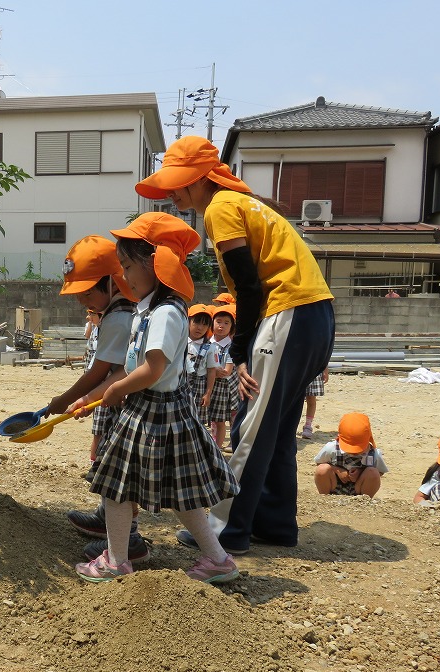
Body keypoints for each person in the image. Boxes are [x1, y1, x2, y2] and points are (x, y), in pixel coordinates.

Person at [136, 136, 334, 554]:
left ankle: (225, 529)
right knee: (277, 430)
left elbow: (246, 285)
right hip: (314, 317)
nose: (171, 192)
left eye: (176, 183)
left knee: (251, 427)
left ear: (198, 178)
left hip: (289, 313)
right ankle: (275, 523)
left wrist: (240, 353)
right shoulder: (243, 204)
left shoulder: (222, 207)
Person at [67, 212, 240, 584]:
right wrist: (92, 398)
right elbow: (131, 368)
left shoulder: (165, 312)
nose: (124, 275)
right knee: (145, 489)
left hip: (157, 412)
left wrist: (113, 391)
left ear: (154, 263)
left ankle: (118, 560)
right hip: (151, 409)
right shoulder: (149, 309)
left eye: (128, 266)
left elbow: (153, 368)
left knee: (119, 485)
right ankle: (215, 559)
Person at [46, 236, 148, 563]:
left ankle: (129, 540)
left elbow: (98, 373)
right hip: (115, 402)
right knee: (109, 463)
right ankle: (107, 520)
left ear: (112, 281)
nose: (82, 300)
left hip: (128, 405)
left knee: (119, 471)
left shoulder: (119, 318)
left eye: (88, 292)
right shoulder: (113, 312)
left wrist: (66, 399)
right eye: (78, 294)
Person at [314, 413, 388, 497]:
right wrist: (337, 470)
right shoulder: (331, 448)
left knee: (373, 472)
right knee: (322, 469)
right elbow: (319, 463)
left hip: (359, 488)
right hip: (334, 486)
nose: (354, 452)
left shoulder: (373, 453)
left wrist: (360, 473)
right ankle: (325, 498)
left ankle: (364, 501)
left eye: (359, 448)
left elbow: (380, 472)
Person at [203, 304, 240, 451]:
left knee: (227, 417)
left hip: (226, 387)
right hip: (210, 386)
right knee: (213, 417)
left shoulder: (231, 346)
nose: (221, 326)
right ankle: (214, 441)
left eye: (226, 323)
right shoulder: (206, 343)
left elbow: (227, 371)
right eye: (218, 321)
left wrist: (211, 370)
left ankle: (230, 442)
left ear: (232, 326)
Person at [185, 303, 213, 425]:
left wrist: (208, 393)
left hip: (199, 387)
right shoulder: (180, 341)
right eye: (196, 322)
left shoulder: (210, 347)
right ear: (188, 321)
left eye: (204, 324)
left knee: (196, 422)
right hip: (179, 384)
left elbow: (211, 371)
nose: (200, 328)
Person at [301, 367, 329, 439]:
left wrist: (325, 369)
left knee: (311, 398)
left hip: (314, 369)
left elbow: (324, 355)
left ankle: (308, 425)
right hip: (298, 368)